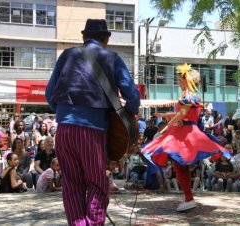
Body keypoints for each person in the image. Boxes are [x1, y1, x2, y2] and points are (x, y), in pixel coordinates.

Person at [45, 19, 140, 225]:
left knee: (71, 186)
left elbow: (49, 93)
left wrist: (62, 111)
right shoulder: (112, 58)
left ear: (84, 37)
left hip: (64, 131)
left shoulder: (67, 55)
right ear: (106, 39)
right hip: (93, 132)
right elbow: (132, 96)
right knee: (97, 185)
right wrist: (125, 117)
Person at [142, 63, 230, 212]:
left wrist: (169, 125)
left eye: (180, 80)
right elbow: (183, 113)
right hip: (186, 132)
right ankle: (188, 197)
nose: (178, 82)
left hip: (186, 134)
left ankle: (189, 198)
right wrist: (165, 115)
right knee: (180, 166)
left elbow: (183, 114)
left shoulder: (189, 95)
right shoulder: (189, 96)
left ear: (187, 80)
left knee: (180, 166)